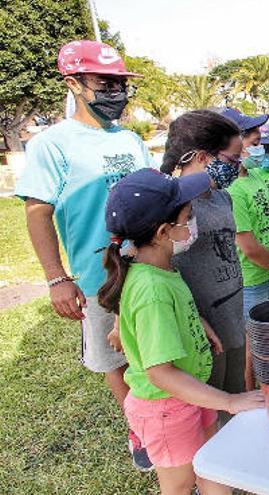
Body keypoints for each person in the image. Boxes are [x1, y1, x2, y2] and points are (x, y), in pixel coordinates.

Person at [15, 40, 155, 471]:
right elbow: (38, 211)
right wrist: (57, 278)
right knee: (115, 358)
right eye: (104, 83)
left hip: (148, 266)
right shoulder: (52, 144)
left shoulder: (131, 139)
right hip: (99, 276)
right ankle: (143, 431)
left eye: (120, 84)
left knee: (153, 352)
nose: (116, 92)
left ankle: (165, 415)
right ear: (74, 84)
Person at [98, 168, 265, 494]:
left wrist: (196, 321)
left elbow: (167, 309)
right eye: (188, 216)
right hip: (166, 409)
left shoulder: (156, 266)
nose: (193, 223)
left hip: (191, 395)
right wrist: (230, 401)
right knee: (179, 485)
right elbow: (161, 373)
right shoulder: (151, 289)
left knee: (216, 467)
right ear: (163, 231)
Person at [159, 110, 247, 404]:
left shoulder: (223, 197)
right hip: (201, 328)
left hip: (232, 314)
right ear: (202, 157)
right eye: (232, 160)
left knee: (235, 394)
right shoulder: (174, 205)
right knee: (210, 404)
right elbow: (142, 263)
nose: (238, 167)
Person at [221, 110, 269, 317]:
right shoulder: (233, 190)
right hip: (252, 281)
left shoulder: (254, 176)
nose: (260, 149)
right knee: (257, 342)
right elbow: (248, 248)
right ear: (235, 145)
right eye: (255, 144)